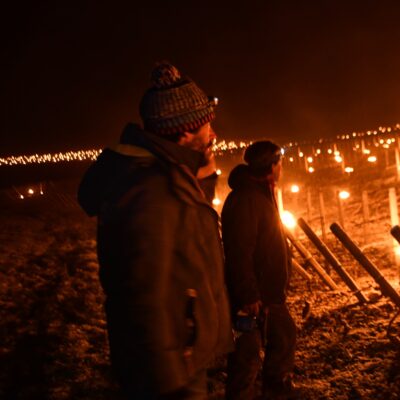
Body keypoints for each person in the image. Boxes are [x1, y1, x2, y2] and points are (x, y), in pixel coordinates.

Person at [77, 62, 233, 399]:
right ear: (184, 132)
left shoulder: (167, 176)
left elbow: (189, 231)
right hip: (170, 369)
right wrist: (169, 382)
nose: (214, 135)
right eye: (208, 126)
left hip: (183, 355)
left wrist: (204, 175)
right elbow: (143, 294)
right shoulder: (151, 189)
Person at [221, 141, 298, 400]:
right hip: (255, 296)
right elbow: (239, 251)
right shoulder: (247, 199)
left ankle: (275, 391)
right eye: (280, 163)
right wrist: (248, 294)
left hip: (267, 292)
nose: (282, 168)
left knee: (282, 339)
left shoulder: (260, 193)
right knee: (247, 357)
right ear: (272, 166)